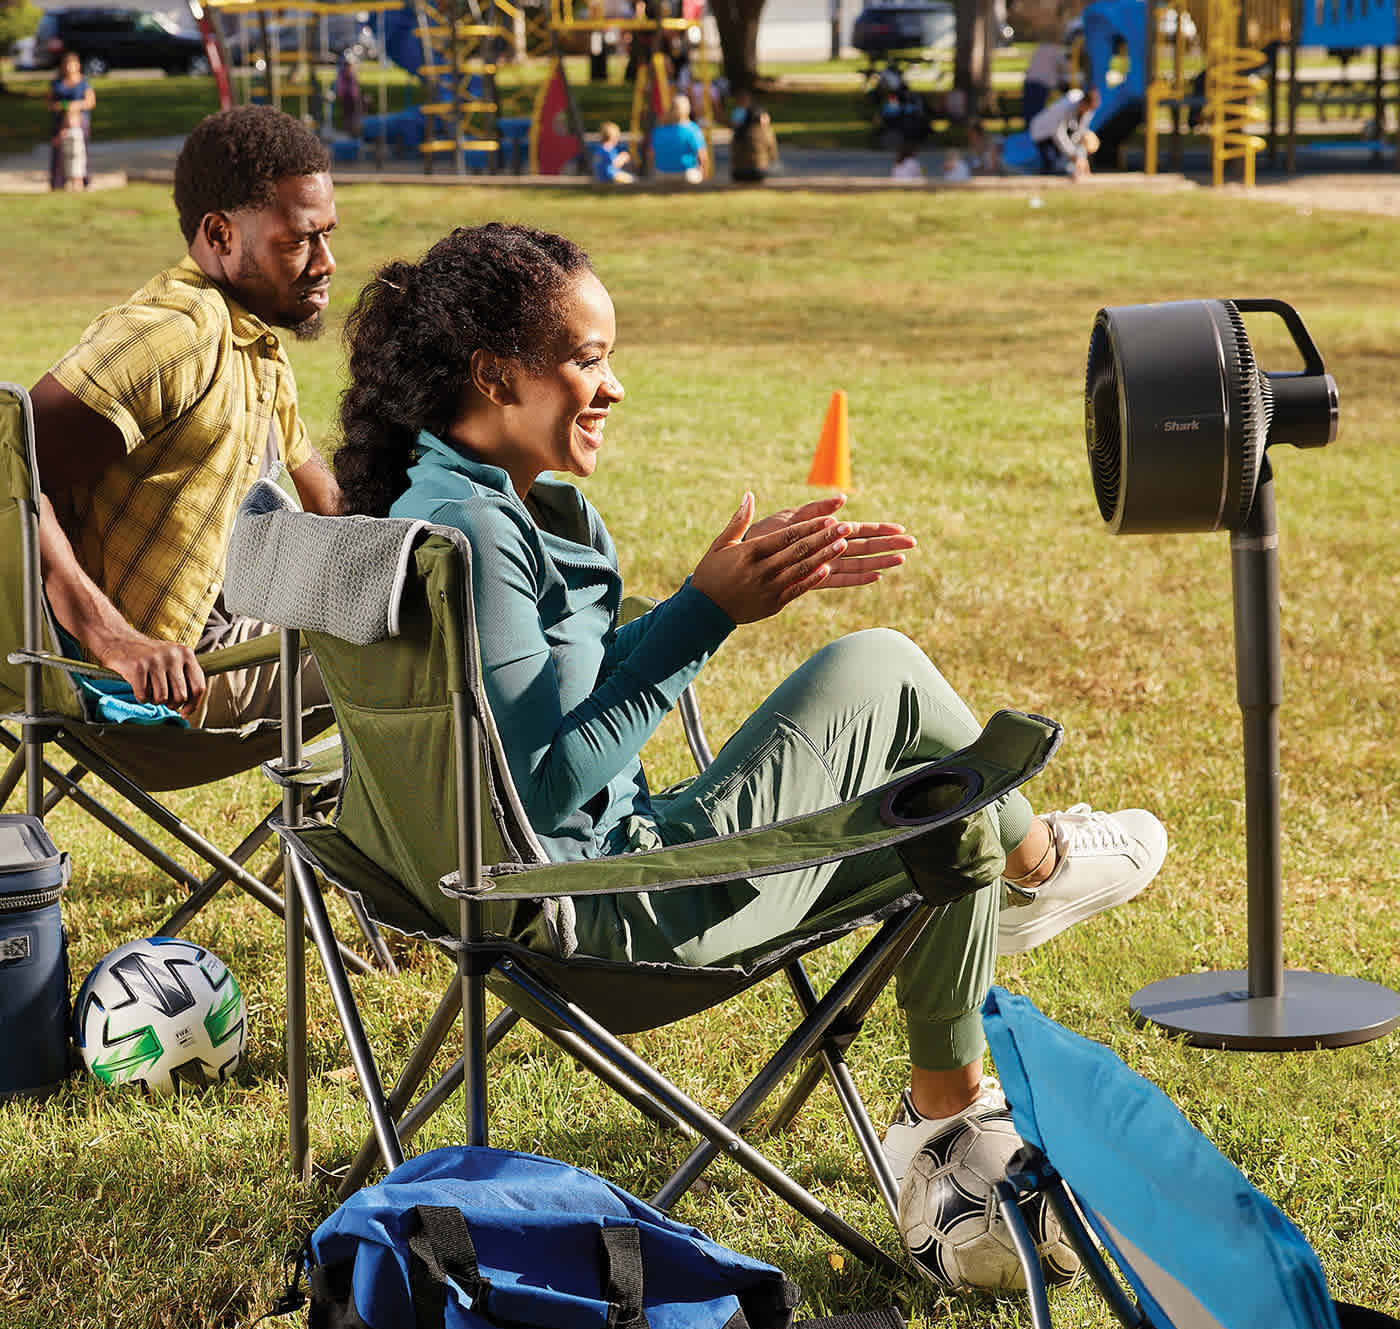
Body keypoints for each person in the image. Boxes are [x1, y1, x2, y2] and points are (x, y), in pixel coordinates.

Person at [331, 222, 1169, 1228]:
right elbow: (544, 781)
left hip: (491, 893)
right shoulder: (473, 533)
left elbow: (532, 729)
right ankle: (1035, 878)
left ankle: (965, 1053)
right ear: (496, 376)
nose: (614, 387)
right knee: (887, 675)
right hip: (604, 912)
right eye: (587, 360)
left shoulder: (434, 505)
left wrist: (698, 604)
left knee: (955, 809)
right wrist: (706, 610)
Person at [30, 105, 342, 726]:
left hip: (238, 630)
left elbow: (331, 503)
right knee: (438, 650)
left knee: (445, 607)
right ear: (221, 235)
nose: (326, 261)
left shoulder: (254, 344)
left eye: (328, 233)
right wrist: (111, 636)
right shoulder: (179, 335)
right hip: (168, 674)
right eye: (300, 239)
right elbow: (8, 462)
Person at [47, 52, 95, 193]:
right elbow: (50, 102)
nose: (70, 67)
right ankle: (58, 182)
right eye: (67, 64)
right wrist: (65, 105)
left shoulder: (84, 83)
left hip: (79, 121)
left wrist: (75, 106)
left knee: (79, 151)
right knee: (59, 152)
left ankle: (81, 180)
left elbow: (90, 101)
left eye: (73, 64)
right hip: (60, 121)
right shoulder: (57, 83)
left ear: (78, 65)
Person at [1028, 85, 1100, 178]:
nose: (1087, 112)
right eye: (1086, 109)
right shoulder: (1065, 107)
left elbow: (1079, 133)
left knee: (1062, 162)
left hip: (1058, 132)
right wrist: (1073, 155)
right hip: (1042, 132)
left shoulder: (1087, 110)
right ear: (1083, 103)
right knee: (1051, 163)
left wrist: (1082, 157)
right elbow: (1058, 134)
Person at [649, 92, 707, 183]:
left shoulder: (658, 130)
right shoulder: (692, 129)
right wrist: (704, 173)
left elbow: (651, 154)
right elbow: (702, 156)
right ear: (688, 110)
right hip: (686, 175)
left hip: (661, 174)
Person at [728, 89, 778, 183]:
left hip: (739, 172)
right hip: (758, 171)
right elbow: (772, 153)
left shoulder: (739, 130)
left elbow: (734, 153)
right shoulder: (765, 132)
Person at [1021, 38, 1068, 130]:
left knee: (1029, 110)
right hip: (1041, 83)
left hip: (1029, 81)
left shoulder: (1040, 48)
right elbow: (1065, 66)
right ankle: (1034, 131)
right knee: (1037, 111)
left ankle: (1028, 131)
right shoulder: (1056, 50)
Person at [54, 103, 88, 192]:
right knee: (69, 173)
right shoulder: (67, 131)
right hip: (68, 157)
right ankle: (71, 187)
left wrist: (64, 134)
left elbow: (73, 138)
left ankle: (79, 187)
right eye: (68, 120)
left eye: (72, 120)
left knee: (77, 174)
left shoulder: (77, 132)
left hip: (77, 158)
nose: (70, 122)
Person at [335, 51, 364, 139]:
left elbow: (355, 86)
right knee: (348, 115)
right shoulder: (344, 74)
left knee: (353, 115)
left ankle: (353, 131)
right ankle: (350, 131)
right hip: (347, 96)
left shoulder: (350, 73)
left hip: (352, 96)